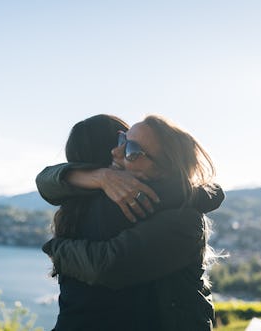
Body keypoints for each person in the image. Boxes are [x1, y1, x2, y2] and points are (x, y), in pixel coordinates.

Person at [37, 114, 224, 330]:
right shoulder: (179, 212)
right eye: (120, 140)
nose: (117, 150)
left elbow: (107, 265)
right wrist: (101, 176)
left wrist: (59, 249)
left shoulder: (75, 211)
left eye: (130, 150)